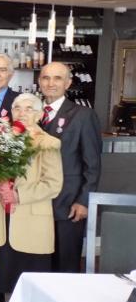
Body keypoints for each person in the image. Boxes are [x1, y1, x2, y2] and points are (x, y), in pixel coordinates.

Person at [0, 93, 63, 302]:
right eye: (17, 108)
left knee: (32, 275)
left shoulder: (47, 143)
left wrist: (18, 195)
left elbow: (53, 184)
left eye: (29, 109)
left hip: (31, 220)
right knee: (7, 273)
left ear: (39, 115)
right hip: (4, 218)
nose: (22, 113)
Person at [39, 62, 102, 272]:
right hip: (36, 204)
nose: (51, 83)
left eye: (57, 78)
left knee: (65, 266)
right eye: (46, 78)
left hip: (68, 205)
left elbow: (92, 165)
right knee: (39, 266)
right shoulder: (32, 114)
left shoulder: (83, 115)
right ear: (39, 81)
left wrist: (83, 201)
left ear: (68, 83)